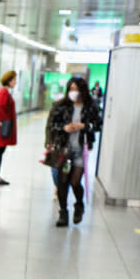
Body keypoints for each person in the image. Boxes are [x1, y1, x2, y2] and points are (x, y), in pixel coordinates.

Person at [45, 76, 101, 227]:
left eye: (76, 89)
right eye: (71, 89)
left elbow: (98, 124)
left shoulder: (91, 106)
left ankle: (79, 205)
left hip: (81, 150)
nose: (73, 92)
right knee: (62, 182)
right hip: (64, 149)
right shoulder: (60, 106)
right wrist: (64, 128)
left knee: (75, 182)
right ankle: (63, 213)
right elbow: (51, 125)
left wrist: (85, 126)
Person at [0, 70, 17, 185]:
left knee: (0, 151)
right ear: (9, 80)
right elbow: (0, 108)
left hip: (3, 125)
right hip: (2, 126)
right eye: (14, 80)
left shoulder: (5, 92)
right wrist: (3, 122)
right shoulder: (3, 92)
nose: (15, 82)